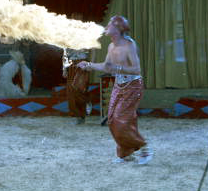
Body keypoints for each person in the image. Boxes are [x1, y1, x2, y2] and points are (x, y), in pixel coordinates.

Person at [78, 15, 152, 164]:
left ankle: (144, 148)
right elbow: (107, 67)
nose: (106, 27)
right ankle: (125, 154)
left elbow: (136, 69)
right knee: (111, 119)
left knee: (120, 119)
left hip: (133, 86)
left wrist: (117, 68)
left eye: (110, 25)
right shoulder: (111, 46)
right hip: (119, 85)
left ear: (118, 29)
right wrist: (89, 65)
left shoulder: (129, 45)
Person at [62, 47, 93, 124]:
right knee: (71, 91)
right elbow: (65, 55)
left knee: (80, 88)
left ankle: (86, 103)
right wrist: (64, 69)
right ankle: (79, 116)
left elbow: (93, 50)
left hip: (83, 64)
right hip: (71, 64)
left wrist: (91, 65)